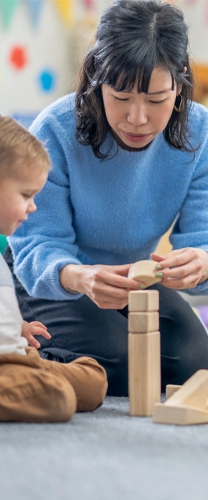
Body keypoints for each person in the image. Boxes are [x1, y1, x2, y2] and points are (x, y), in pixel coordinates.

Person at [6, 0, 208, 396]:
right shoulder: (56, 129)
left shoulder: (204, 135)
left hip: (131, 279)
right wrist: (79, 276)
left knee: (193, 366)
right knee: (116, 362)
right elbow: (39, 244)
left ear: (179, 85)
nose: (138, 118)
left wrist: (204, 262)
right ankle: (19, 340)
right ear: (97, 77)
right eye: (121, 97)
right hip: (56, 278)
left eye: (157, 100)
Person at [0, 115, 107, 422]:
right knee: (56, 398)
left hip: (18, 357)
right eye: (25, 196)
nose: (33, 207)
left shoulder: (1, 247)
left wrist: (18, 327)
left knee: (93, 381)